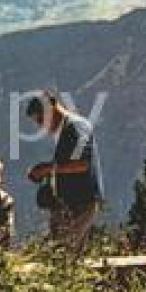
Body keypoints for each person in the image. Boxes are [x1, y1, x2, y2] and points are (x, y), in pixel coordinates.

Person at [25, 91, 104, 249]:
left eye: (41, 119)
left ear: (52, 108)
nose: (41, 126)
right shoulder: (64, 130)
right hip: (68, 203)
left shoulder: (77, 126)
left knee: (64, 252)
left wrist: (47, 169)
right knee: (64, 253)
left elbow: (82, 163)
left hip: (81, 202)